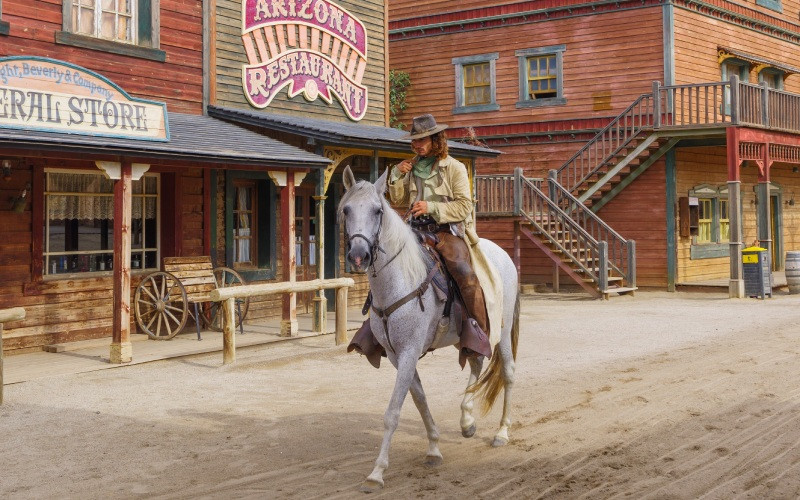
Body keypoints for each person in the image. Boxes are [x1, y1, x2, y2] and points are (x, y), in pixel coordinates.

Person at [388, 114, 491, 362]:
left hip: (446, 231)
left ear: (436, 140)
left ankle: (477, 334)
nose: (416, 145)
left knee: (465, 274)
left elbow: (464, 206)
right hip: (414, 229)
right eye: (414, 141)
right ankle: (376, 331)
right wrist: (397, 175)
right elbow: (399, 201)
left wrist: (431, 207)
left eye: (421, 140)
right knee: (384, 262)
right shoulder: (411, 167)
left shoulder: (454, 168)